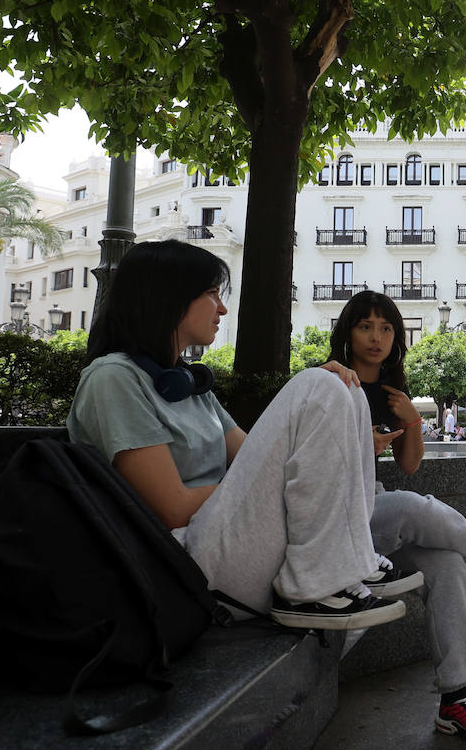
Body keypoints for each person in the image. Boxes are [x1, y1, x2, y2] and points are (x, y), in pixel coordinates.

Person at [67, 240, 414, 634]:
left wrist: (329, 444)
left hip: (231, 547)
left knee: (343, 388)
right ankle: (315, 584)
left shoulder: (188, 385)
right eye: (212, 293)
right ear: (168, 297)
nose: (222, 308)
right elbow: (173, 507)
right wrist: (280, 474)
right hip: (186, 566)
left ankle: (349, 563)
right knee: (321, 381)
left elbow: (260, 457)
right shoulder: (114, 379)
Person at [327, 290, 466, 745]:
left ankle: (457, 699)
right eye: (366, 326)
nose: (376, 337)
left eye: (386, 328)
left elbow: (408, 466)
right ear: (347, 332)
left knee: (447, 562)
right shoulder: (329, 380)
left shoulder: (390, 393)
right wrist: (355, 444)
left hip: (369, 507)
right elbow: (308, 461)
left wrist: (409, 421)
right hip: (331, 514)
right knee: (411, 505)